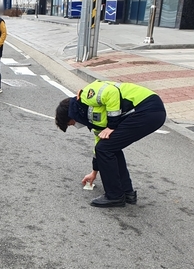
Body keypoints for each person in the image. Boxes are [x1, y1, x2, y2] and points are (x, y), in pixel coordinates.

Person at [55, 80, 167, 208]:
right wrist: (94, 171)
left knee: (105, 149)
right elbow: (99, 143)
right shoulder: (90, 118)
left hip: (147, 108)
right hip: (148, 112)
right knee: (108, 147)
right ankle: (127, 192)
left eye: (71, 123)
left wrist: (112, 125)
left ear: (71, 115)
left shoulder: (86, 96)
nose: (76, 125)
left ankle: (114, 196)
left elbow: (111, 92)